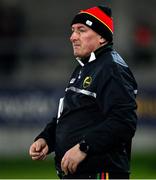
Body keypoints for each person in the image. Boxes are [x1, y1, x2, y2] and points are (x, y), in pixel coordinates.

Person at [29, 5, 138, 179]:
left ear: (102, 37)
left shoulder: (112, 68)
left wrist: (84, 147)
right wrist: (47, 139)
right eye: (73, 31)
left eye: (81, 30)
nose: (72, 37)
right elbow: (71, 114)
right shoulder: (86, 67)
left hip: (101, 173)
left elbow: (123, 122)